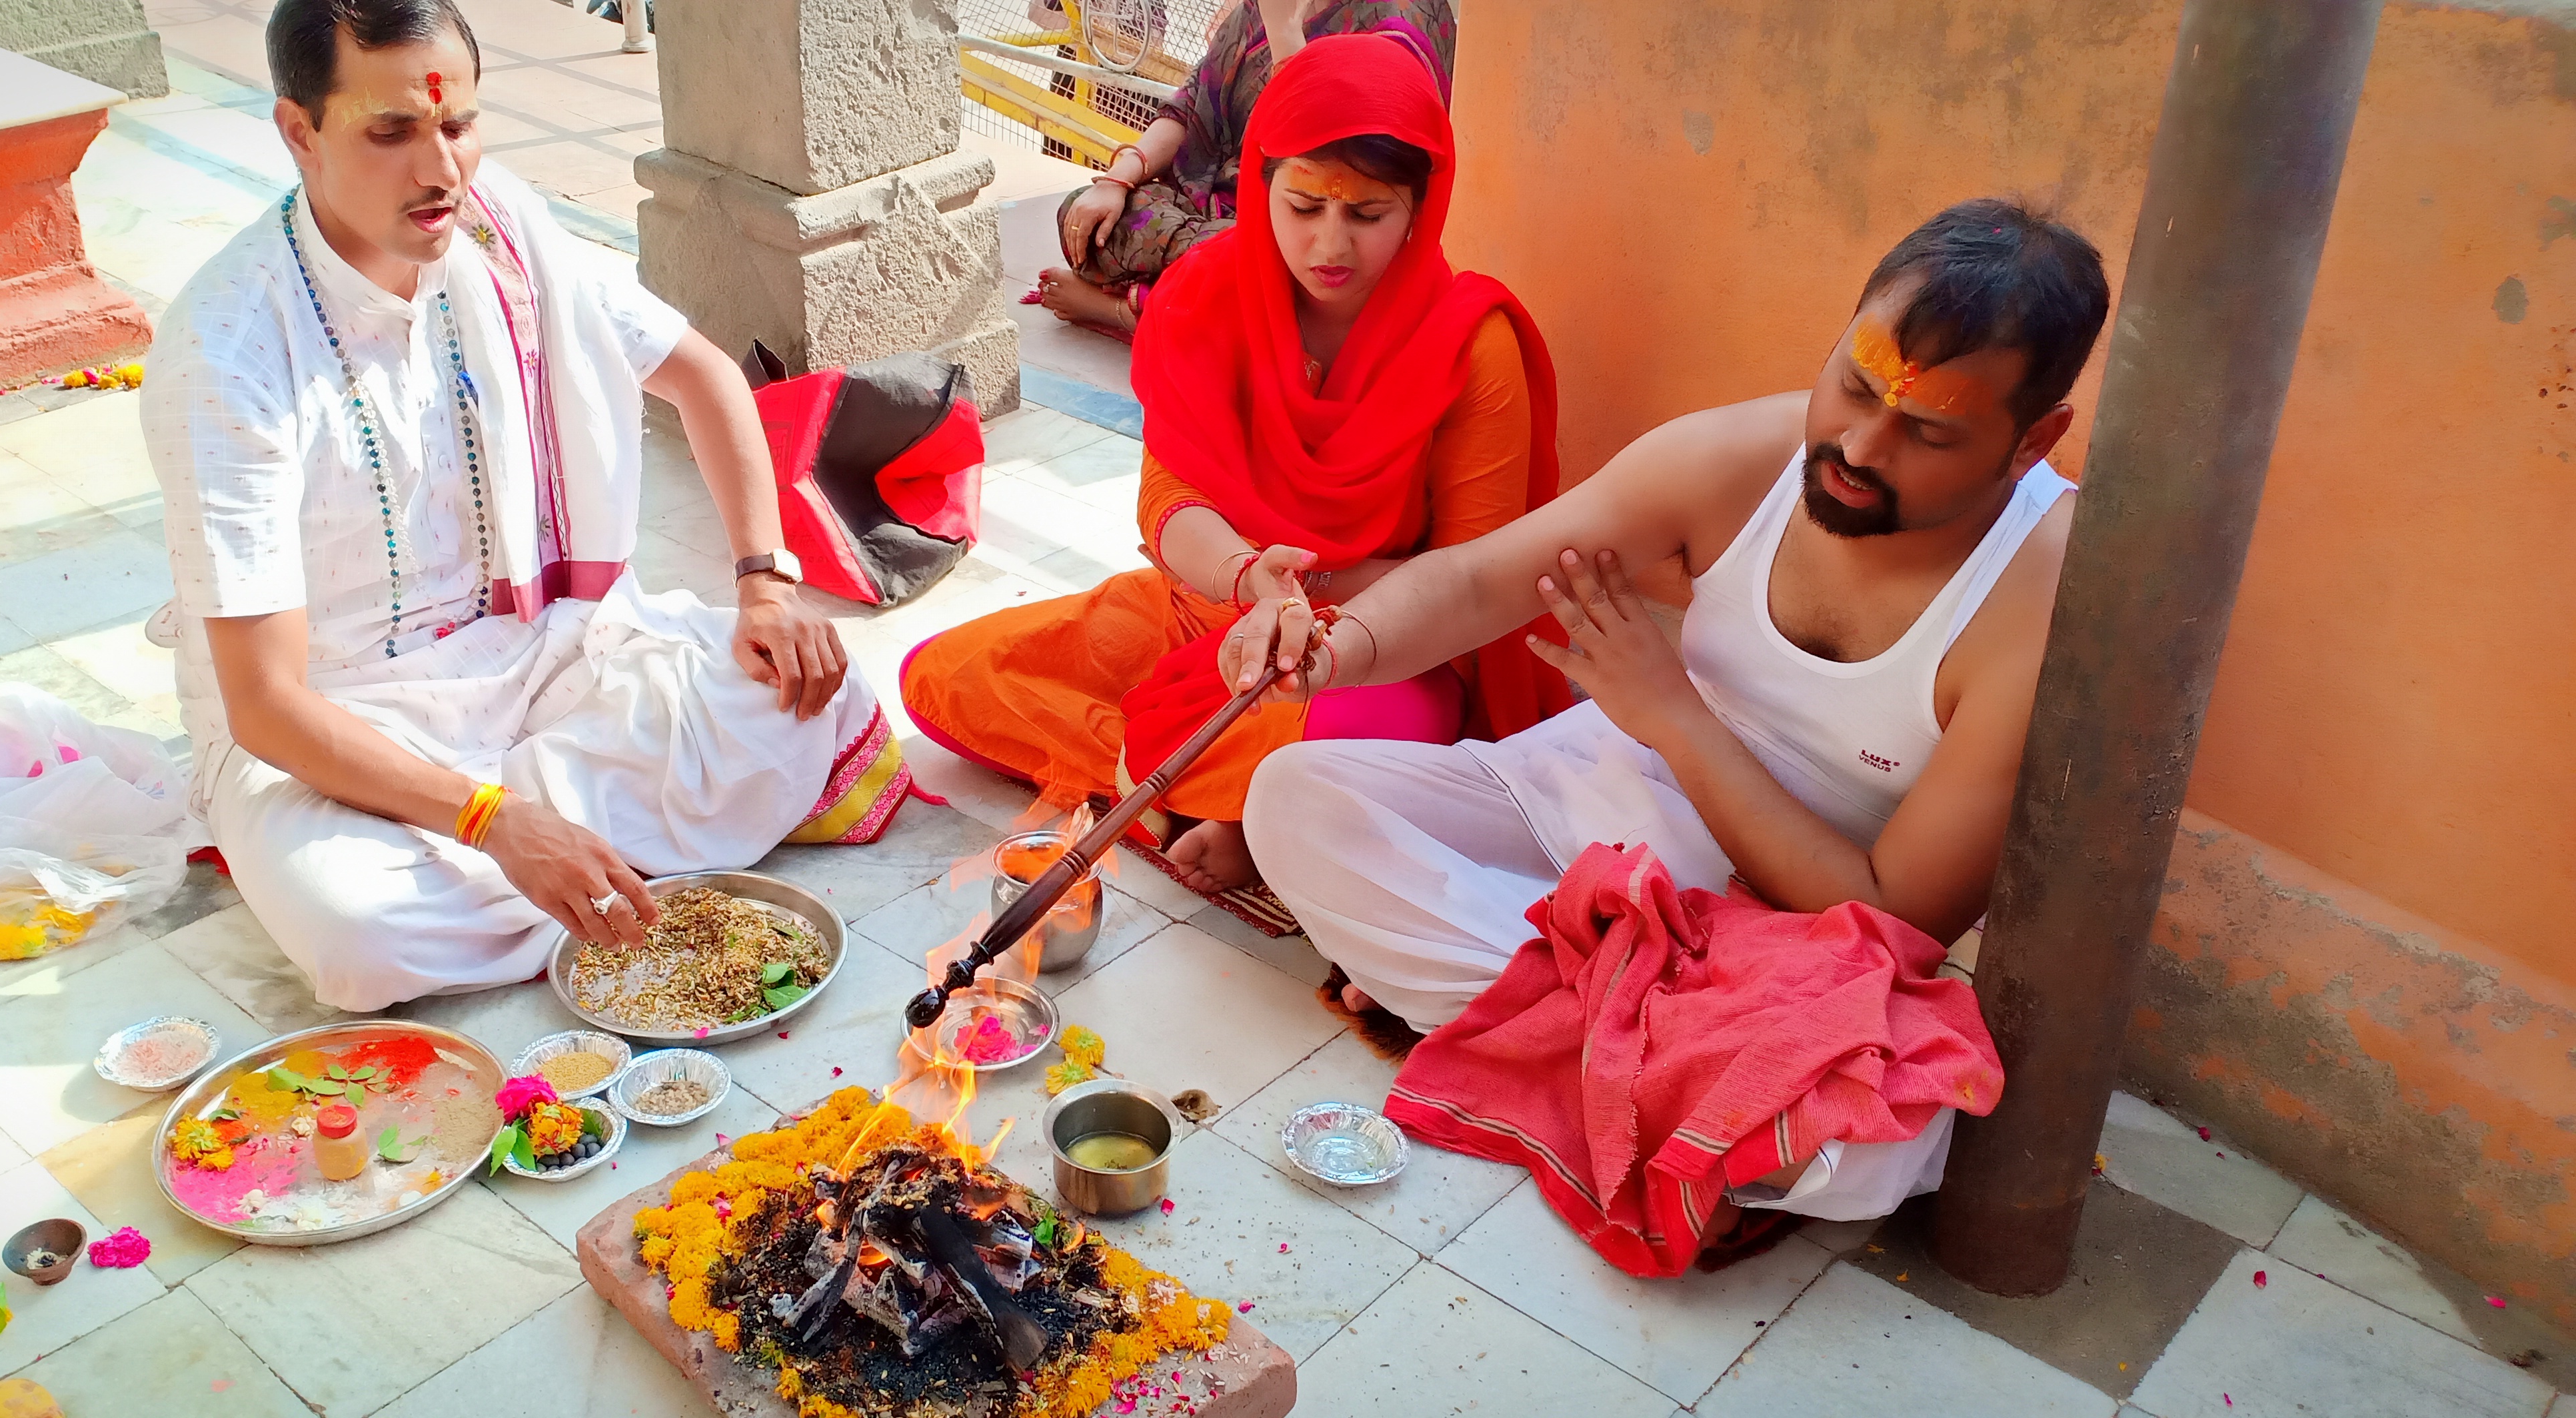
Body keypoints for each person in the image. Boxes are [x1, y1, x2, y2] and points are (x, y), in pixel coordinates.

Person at [1231, 198, 2111, 1218]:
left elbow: (1894, 917)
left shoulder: (2044, 601)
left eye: (1927, 430)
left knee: (1870, 1156)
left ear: (2031, 442)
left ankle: (1537, 1038)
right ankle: (1649, 1090)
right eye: (1855, 386)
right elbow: (1480, 583)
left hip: (1769, 945)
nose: (1861, 449)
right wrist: (1338, 648)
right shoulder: (1742, 457)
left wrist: (1676, 717)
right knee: (1296, 798)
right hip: (1586, 834)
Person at [141, 0, 894, 1012]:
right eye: (392, 132)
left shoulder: (499, 230)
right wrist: (495, 821)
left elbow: (706, 377)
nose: (441, 170)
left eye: (457, 125)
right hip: (343, 720)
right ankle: (559, 834)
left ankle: (555, 844)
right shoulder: (226, 351)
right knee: (361, 935)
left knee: (808, 692)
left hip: (540, 655)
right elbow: (269, 706)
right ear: (298, 134)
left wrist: (764, 583)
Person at [904, 35, 1571, 898]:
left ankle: (1229, 805)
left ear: (1421, 205)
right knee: (943, 677)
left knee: (1374, 735)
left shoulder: (1473, 347)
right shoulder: (1205, 295)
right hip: (1207, 606)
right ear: (1260, 184)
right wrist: (1251, 578)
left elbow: (1472, 583)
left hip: (1369, 646)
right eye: (1304, 206)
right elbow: (1170, 499)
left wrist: (1308, 604)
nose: (1331, 244)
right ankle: (1211, 793)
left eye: (1368, 214)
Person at [1032, 0, 1456, 336]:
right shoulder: (1259, 9)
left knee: (1271, 276)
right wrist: (1118, 179)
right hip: (1221, 207)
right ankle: (1180, 298)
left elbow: (1334, 166)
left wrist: (1287, 41)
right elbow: (1190, 103)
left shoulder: (1401, 22)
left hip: (1316, 218)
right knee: (1088, 217)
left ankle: (1129, 310)